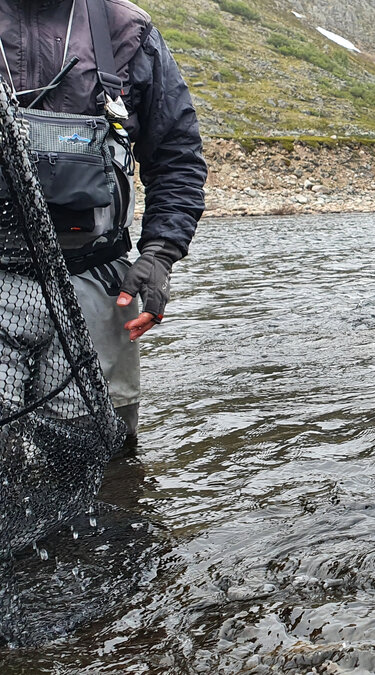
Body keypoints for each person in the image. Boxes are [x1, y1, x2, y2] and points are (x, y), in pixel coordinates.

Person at [0, 0, 206, 449]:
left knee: (103, 457)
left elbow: (176, 157)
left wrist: (159, 255)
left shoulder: (126, 28)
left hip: (100, 285)